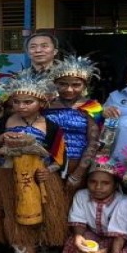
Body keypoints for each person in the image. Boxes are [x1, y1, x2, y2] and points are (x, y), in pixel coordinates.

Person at [0, 71, 71, 253]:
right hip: (7, 179)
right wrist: (1, 142)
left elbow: (60, 159)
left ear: (42, 102)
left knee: (38, 225)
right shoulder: (4, 121)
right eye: (16, 102)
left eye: (28, 101)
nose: (21, 106)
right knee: (14, 226)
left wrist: (47, 170)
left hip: (38, 181)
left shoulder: (51, 127)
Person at [58, 156, 125, 253]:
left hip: (115, 240)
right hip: (93, 235)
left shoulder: (123, 202)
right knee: (74, 242)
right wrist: (78, 236)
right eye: (93, 182)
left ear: (115, 185)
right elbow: (78, 220)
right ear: (87, 181)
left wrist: (107, 250)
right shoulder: (81, 195)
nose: (98, 187)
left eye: (105, 183)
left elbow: (121, 234)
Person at [44, 56, 103, 189]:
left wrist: (78, 173)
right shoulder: (45, 105)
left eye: (76, 85)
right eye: (63, 84)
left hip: (76, 165)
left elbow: (94, 142)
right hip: (46, 165)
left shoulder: (92, 107)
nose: (69, 89)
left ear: (85, 85)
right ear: (55, 84)